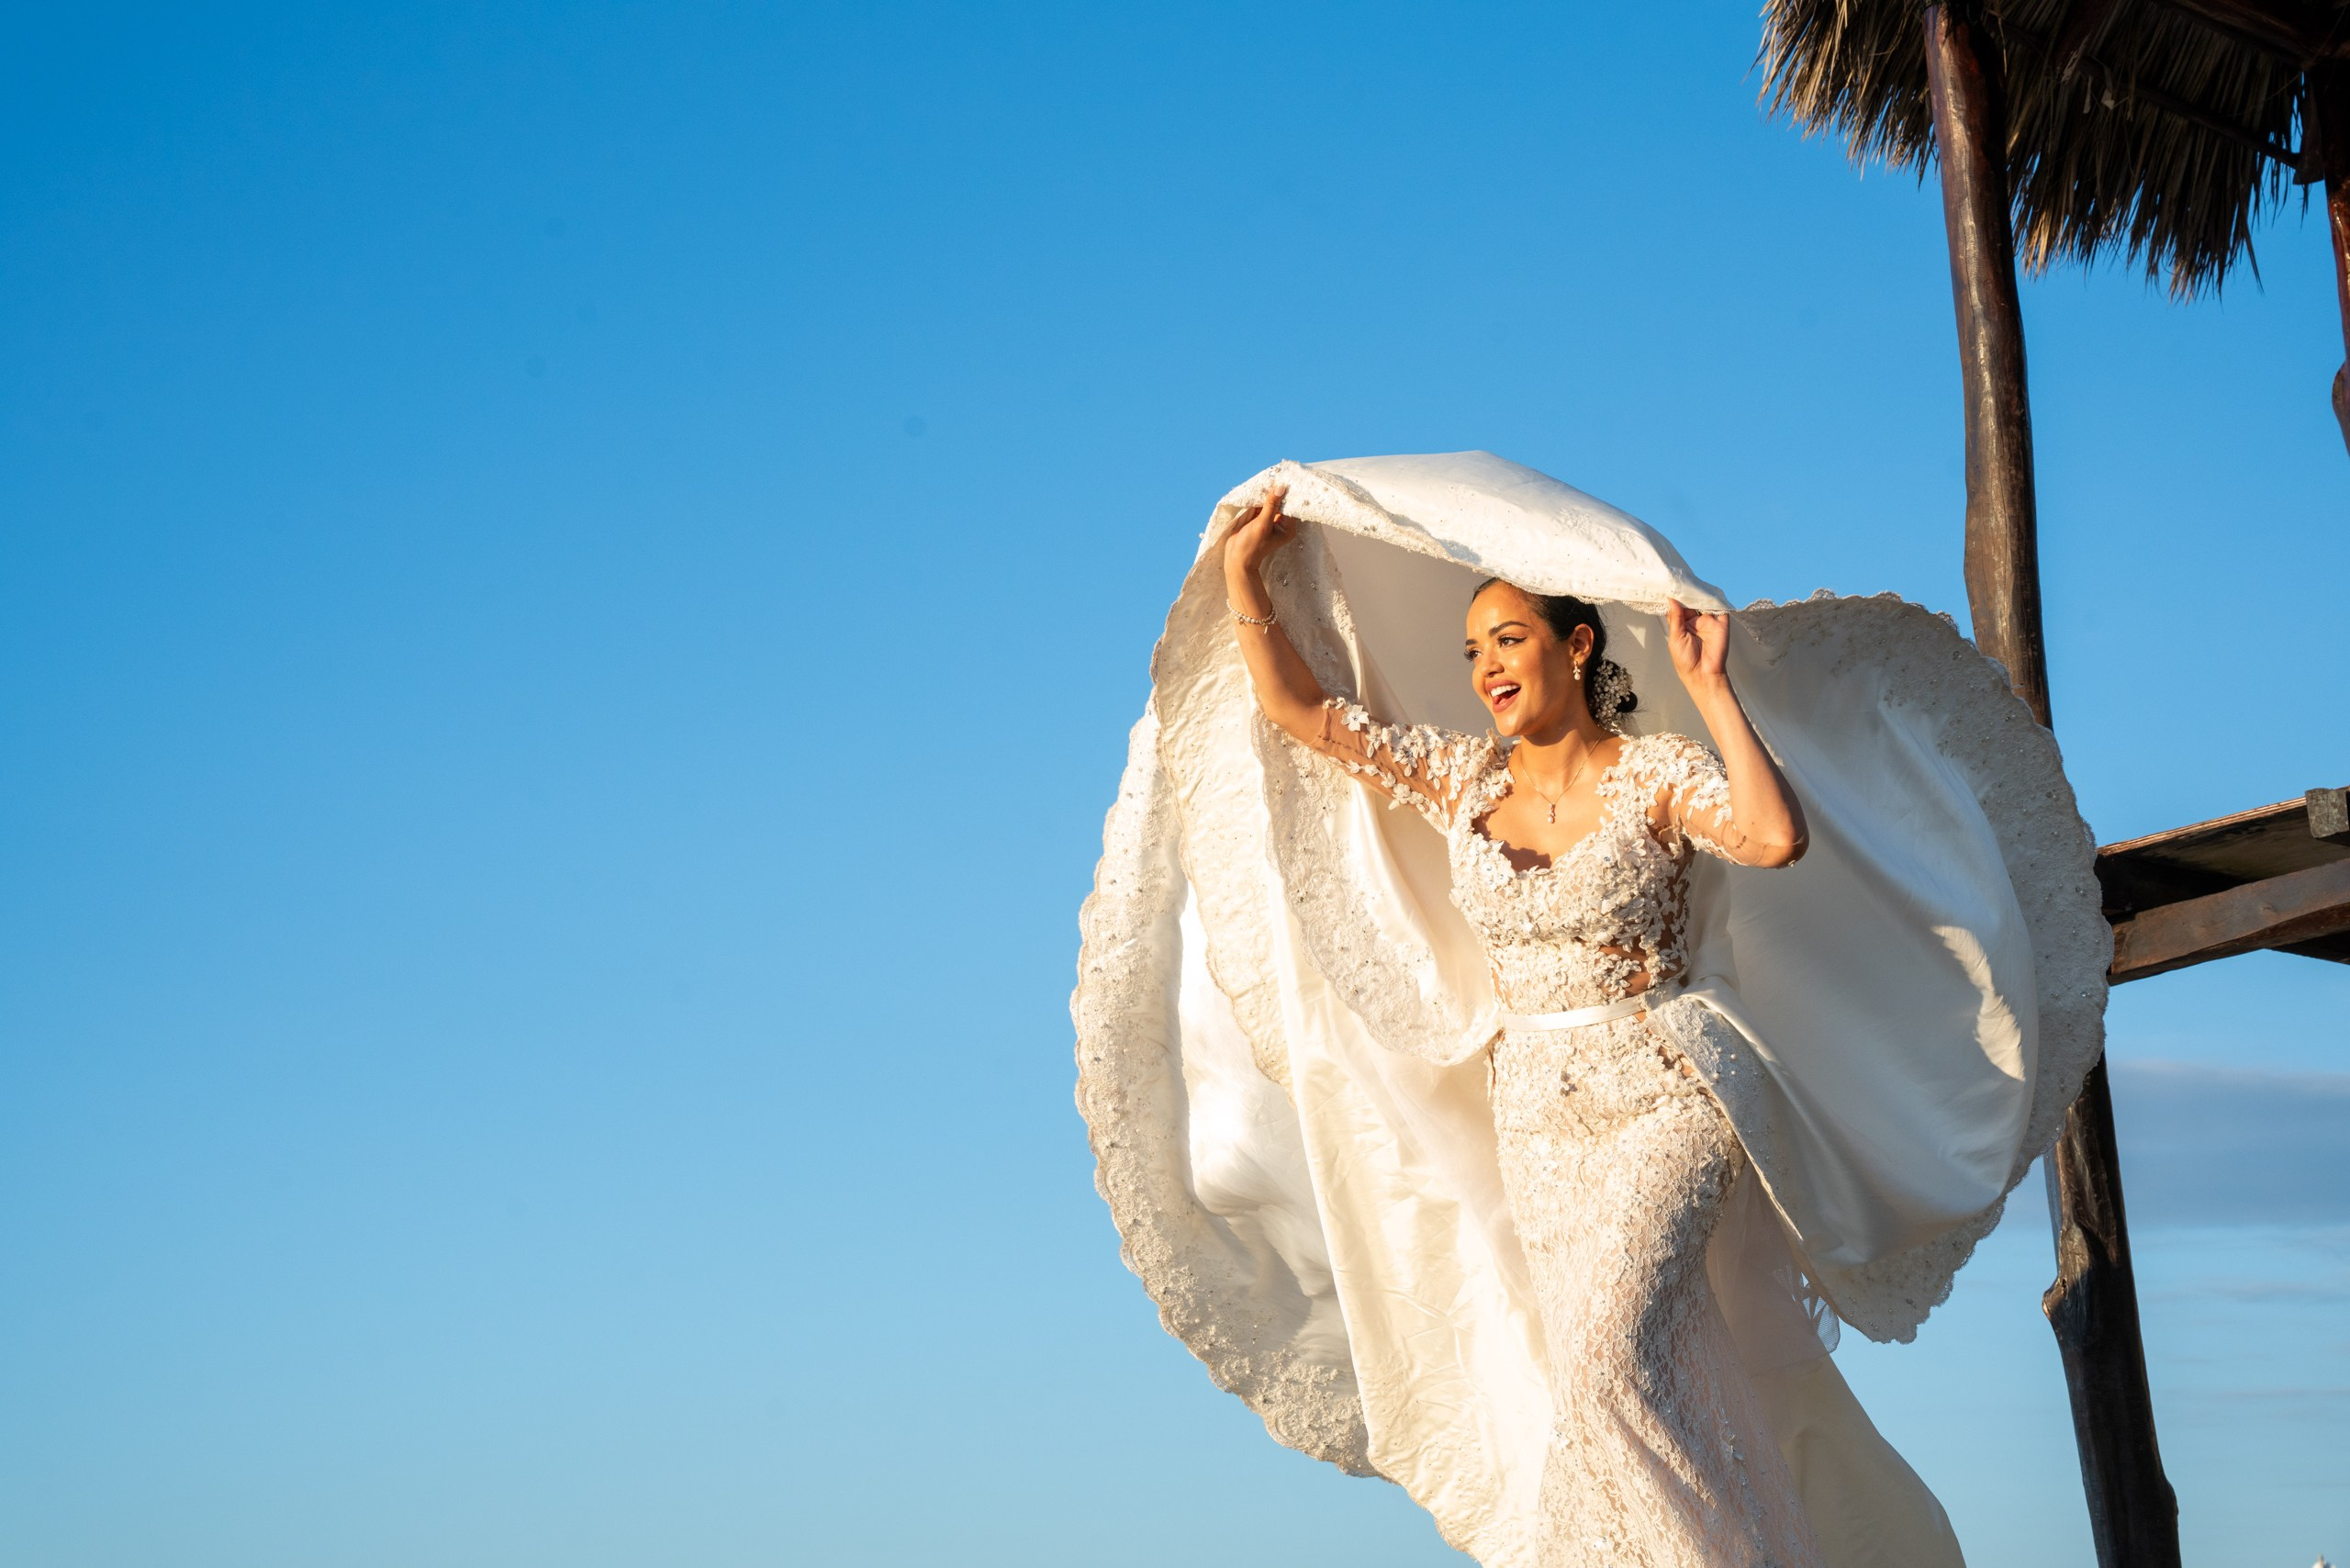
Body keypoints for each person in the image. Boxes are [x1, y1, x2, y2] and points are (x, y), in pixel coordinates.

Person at [1223, 482, 1825, 1563]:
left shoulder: (1655, 773)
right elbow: (1302, 713)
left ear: (1576, 644)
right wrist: (1243, 578)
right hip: (1539, 1126)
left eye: (1508, 639)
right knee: (1635, 1378)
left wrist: (1710, 689)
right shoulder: (1462, 780)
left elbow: (1773, 838)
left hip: (1664, 1102)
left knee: (1603, 1369)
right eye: (1472, 652)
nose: (1487, 668)